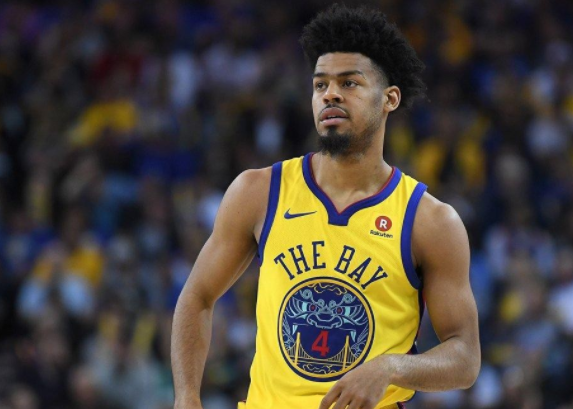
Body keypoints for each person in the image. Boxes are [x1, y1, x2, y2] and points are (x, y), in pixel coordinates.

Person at [171, 5, 480, 409]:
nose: (330, 94)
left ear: (389, 99)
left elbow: (465, 357)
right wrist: (187, 397)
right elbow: (196, 297)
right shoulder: (259, 191)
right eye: (320, 85)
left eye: (349, 83)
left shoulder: (429, 220)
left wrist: (391, 368)